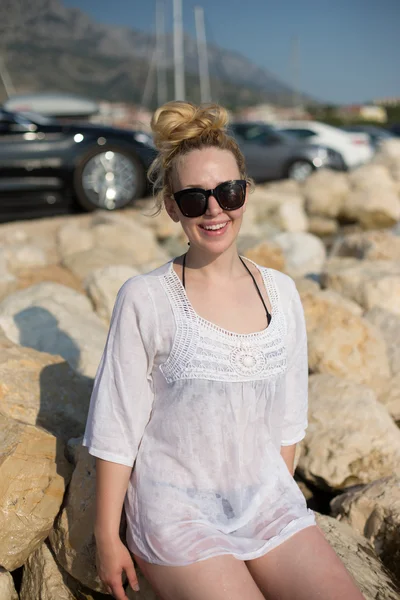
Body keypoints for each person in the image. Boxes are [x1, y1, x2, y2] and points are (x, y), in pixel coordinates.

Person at [83, 101, 365, 600]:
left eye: (227, 192)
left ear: (245, 195)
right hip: (176, 509)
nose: (214, 209)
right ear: (171, 206)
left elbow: (286, 422)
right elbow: (116, 428)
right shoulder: (145, 298)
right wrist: (108, 537)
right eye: (194, 199)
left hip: (265, 499)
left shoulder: (281, 293)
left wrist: (269, 506)